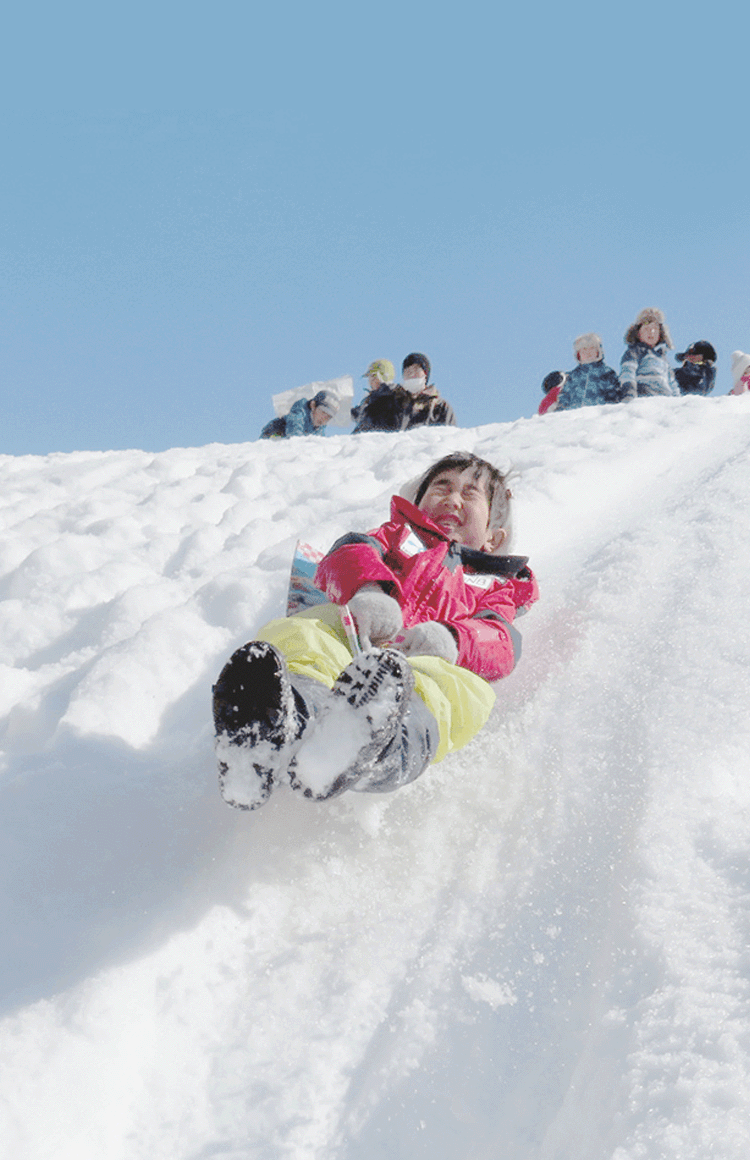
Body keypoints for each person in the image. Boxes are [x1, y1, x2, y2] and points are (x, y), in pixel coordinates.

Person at [212, 451, 538, 809]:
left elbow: (501, 641)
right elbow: (350, 553)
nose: (453, 498)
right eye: (441, 487)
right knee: (314, 631)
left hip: (425, 665)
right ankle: (284, 720)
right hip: (360, 631)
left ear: (493, 537)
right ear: (418, 503)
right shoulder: (396, 536)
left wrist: (451, 639)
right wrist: (369, 591)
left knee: (462, 690)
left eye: (470, 493)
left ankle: (380, 748)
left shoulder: (497, 585)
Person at [352, 352, 457, 433]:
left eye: (416, 370)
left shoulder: (440, 407)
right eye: (408, 371)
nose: (412, 375)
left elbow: (448, 441)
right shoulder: (391, 403)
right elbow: (367, 429)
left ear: (425, 374)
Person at [556, 334, 626, 411]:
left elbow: (613, 396)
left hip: (597, 414)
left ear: (598, 352)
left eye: (592, 348)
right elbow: (564, 398)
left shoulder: (607, 373)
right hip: (574, 415)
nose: (588, 352)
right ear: (578, 354)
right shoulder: (572, 376)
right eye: (584, 349)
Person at [619, 307, 678, 398]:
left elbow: (672, 382)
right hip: (645, 397)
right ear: (638, 333)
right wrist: (629, 392)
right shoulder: (635, 352)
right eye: (647, 329)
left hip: (665, 399)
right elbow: (628, 372)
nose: (651, 332)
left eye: (655, 329)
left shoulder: (662, 358)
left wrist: (678, 400)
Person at [260, 389, 339, 439]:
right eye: (323, 412)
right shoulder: (300, 414)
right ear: (313, 405)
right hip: (274, 434)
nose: (324, 418)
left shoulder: (319, 427)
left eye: (328, 417)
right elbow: (294, 431)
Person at [351, 359, 395, 426]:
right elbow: (360, 414)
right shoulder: (370, 399)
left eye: (373, 376)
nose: (370, 380)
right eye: (369, 377)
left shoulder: (390, 397)